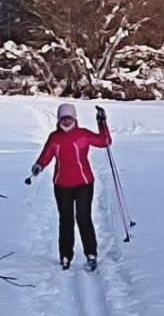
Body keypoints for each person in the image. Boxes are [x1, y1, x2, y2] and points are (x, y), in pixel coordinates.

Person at [27, 102, 111, 270]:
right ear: (59, 120)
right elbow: (46, 155)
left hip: (84, 183)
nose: (66, 121)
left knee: (83, 218)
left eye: (69, 118)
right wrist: (39, 165)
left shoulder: (83, 135)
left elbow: (105, 141)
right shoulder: (54, 138)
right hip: (62, 185)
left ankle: (91, 254)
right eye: (63, 118)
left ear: (75, 119)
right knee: (66, 220)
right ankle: (65, 256)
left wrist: (102, 122)